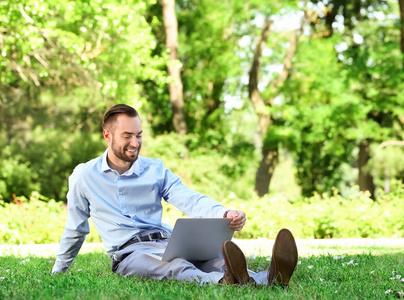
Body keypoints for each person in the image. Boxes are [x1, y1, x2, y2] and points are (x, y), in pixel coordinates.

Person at [52, 104, 298, 286]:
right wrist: (58, 272)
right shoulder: (84, 176)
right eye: (127, 136)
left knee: (216, 260)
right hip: (130, 254)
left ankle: (269, 278)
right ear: (107, 135)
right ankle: (225, 281)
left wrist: (223, 213)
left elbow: (188, 198)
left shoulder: (155, 169)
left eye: (138, 135)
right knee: (176, 267)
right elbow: (76, 228)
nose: (135, 143)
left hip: (169, 242)